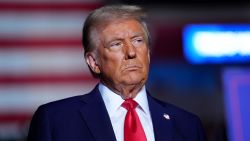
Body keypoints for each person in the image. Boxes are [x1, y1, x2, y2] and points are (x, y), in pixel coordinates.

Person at [27, 5, 206, 141]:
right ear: (94, 62)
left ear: (149, 53)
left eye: (138, 41)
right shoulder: (56, 121)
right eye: (116, 44)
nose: (131, 52)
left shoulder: (187, 125)